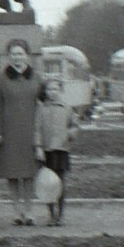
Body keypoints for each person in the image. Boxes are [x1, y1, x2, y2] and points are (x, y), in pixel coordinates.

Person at [0, 39, 43, 226]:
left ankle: (29, 211)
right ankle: (17, 211)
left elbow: (45, 103)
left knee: (29, 173)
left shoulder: (36, 78)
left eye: (20, 53)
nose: (17, 57)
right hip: (9, 132)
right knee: (12, 173)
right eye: (13, 54)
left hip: (30, 132)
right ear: (8, 56)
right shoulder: (1, 79)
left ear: (27, 56)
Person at [34, 76, 79, 226]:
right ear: (45, 91)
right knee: (48, 184)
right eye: (49, 89)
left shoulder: (67, 108)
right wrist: (38, 147)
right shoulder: (41, 109)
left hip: (61, 150)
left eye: (55, 89)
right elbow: (37, 130)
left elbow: (74, 125)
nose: (52, 92)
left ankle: (60, 215)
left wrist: (69, 134)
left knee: (60, 182)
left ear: (60, 90)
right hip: (47, 150)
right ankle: (51, 214)